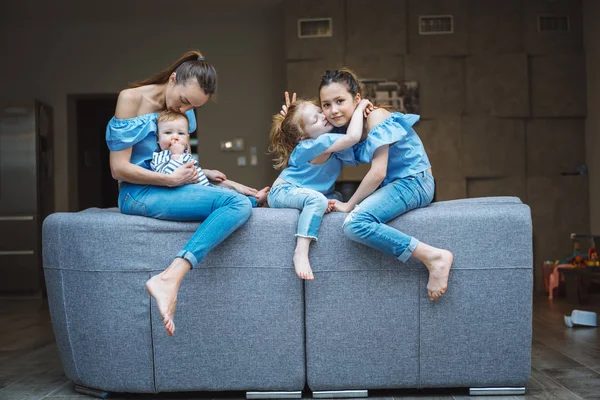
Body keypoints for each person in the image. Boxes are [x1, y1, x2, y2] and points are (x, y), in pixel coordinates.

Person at [106, 50, 259, 336]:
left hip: (170, 186)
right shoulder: (131, 98)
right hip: (137, 193)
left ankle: (170, 277)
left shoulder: (183, 111)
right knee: (237, 206)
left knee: (247, 200)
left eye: (192, 108)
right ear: (173, 78)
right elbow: (119, 169)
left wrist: (215, 178)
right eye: (184, 100)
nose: (183, 110)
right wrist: (173, 181)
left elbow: (172, 162)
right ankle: (170, 276)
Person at [282, 68, 453, 301]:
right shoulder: (342, 129)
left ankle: (433, 256)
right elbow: (309, 143)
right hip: (395, 187)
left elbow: (378, 172)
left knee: (355, 223)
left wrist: (349, 205)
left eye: (340, 101)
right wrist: (290, 118)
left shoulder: (375, 117)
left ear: (358, 99)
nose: (333, 110)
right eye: (326, 104)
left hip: (415, 181)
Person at [267, 98, 373, 279]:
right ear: (304, 136)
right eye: (314, 120)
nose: (322, 117)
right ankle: (300, 252)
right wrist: (360, 106)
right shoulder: (314, 144)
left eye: (319, 111)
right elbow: (353, 137)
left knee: (335, 197)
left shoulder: (329, 141)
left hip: (308, 191)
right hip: (284, 190)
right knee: (318, 200)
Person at [151, 110, 269, 206]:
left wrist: (207, 172)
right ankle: (255, 201)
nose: (175, 137)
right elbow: (167, 177)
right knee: (227, 200)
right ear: (158, 138)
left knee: (228, 192)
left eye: (180, 134)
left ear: (187, 138)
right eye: (168, 133)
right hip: (190, 195)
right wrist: (176, 156)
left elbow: (194, 172)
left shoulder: (185, 154)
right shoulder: (159, 157)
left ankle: (256, 196)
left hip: (205, 188)